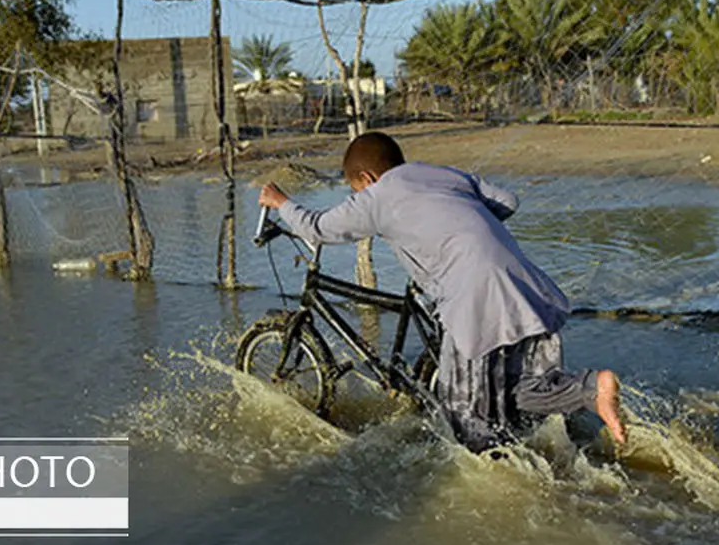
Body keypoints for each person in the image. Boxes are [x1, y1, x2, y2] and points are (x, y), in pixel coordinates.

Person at [258, 131, 627, 453]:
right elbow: (508, 201)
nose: (359, 196)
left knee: (463, 416)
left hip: (474, 297)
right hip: (522, 282)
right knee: (516, 391)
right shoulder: (441, 174)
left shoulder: (378, 196)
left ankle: (498, 484)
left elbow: (319, 228)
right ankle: (590, 389)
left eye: (356, 190)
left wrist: (281, 202)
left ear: (366, 178)